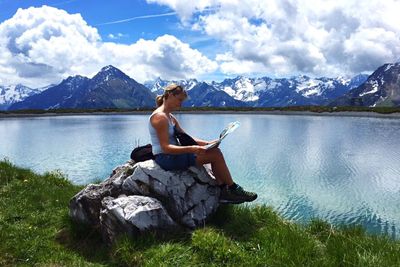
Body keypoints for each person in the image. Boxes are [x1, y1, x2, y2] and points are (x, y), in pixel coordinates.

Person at [148, 83, 257, 204]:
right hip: (165, 158)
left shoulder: (170, 117)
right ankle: (233, 189)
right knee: (215, 155)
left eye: (181, 101)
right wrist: (193, 149)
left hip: (172, 156)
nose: (180, 104)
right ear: (169, 95)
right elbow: (166, 148)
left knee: (215, 152)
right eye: (179, 100)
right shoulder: (160, 117)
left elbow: (186, 138)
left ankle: (224, 190)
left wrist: (208, 143)